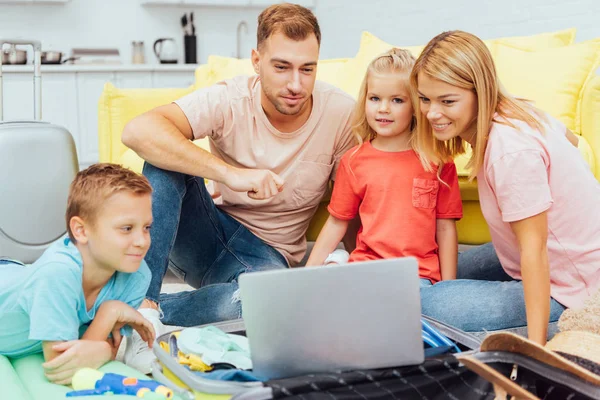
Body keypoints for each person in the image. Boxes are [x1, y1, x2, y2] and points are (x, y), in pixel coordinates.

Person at [120, 3, 356, 371]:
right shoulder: (229, 98)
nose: (296, 84)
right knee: (163, 164)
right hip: (207, 233)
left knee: (270, 305)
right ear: (256, 61)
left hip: (267, 257)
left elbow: (356, 200)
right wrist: (230, 173)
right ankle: (140, 302)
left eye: (307, 69)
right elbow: (138, 131)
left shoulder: (342, 114)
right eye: (281, 67)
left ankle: (133, 309)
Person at [412, 30, 600, 344]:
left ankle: (565, 326)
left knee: (425, 303)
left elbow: (535, 251)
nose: (432, 112)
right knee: (437, 264)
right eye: (425, 98)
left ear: (480, 92)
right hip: (552, 255)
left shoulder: (509, 151)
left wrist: (536, 349)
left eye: (447, 101)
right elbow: (573, 141)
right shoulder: (519, 112)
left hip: (577, 288)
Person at [306, 48, 463, 286]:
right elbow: (337, 223)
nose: (383, 109)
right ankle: (336, 265)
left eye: (397, 100)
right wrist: (305, 276)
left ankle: (338, 266)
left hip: (418, 276)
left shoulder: (438, 161)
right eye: (375, 98)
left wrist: (449, 287)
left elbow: (445, 228)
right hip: (366, 270)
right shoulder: (353, 161)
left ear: (415, 107)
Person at [0, 163, 155, 384]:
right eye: (127, 228)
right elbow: (60, 366)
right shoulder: (57, 274)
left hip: (20, 273)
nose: (142, 242)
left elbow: (87, 352)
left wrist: (102, 341)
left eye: (147, 227)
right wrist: (109, 314)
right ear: (81, 230)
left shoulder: (137, 275)